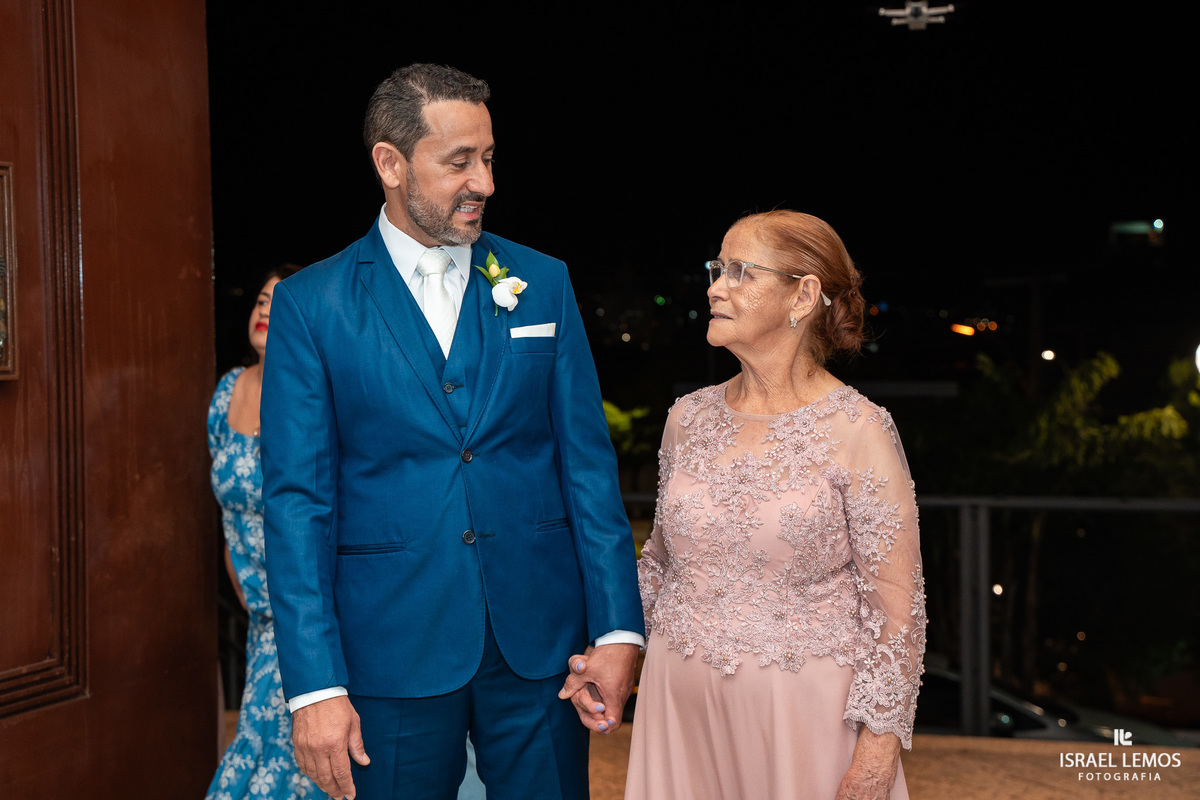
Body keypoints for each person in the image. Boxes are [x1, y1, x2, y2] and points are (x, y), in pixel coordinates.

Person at [260, 63, 644, 800]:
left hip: (541, 650)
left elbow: (588, 469)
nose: (485, 183)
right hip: (389, 650)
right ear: (390, 163)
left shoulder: (544, 281)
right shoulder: (313, 306)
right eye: (459, 161)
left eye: (490, 158)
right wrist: (314, 689)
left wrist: (619, 631)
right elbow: (297, 504)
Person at [622, 211, 925, 799]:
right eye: (717, 268)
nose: (715, 287)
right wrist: (616, 647)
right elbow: (658, 565)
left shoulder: (859, 429)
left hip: (801, 721)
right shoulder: (686, 418)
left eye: (740, 272)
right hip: (677, 711)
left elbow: (897, 612)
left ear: (803, 294)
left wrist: (876, 755)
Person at [205, 266, 320, 800]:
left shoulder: (312, 396)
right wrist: (237, 576)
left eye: (280, 301)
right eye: (259, 299)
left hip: (304, 611)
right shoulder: (227, 390)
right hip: (258, 617)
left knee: (282, 757)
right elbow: (226, 503)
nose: (264, 309)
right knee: (271, 750)